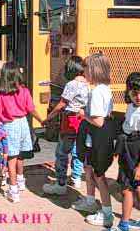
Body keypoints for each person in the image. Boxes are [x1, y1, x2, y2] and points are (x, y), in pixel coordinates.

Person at [0, 62, 43, 203]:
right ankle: (20, 181)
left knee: (10, 158)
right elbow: (31, 109)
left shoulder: (0, 94)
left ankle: (13, 191)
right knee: (20, 155)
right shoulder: (24, 91)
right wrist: (41, 120)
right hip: (23, 123)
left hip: (9, 126)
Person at [110, 72, 140, 231]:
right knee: (138, 186)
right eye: (135, 93)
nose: (139, 97)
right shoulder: (131, 106)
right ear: (128, 92)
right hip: (128, 150)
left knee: (127, 189)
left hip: (138, 153)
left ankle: (124, 225)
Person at [73, 52, 115, 228]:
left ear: (94, 70)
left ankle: (107, 213)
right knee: (88, 168)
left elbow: (98, 121)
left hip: (97, 137)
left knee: (99, 175)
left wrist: (83, 114)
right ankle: (90, 201)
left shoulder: (98, 91)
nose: (84, 74)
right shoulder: (103, 89)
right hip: (97, 138)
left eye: (86, 70)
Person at [42, 56, 89, 195]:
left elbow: (62, 104)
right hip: (82, 121)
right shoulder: (87, 84)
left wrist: (48, 118)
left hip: (70, 120)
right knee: (77, 150)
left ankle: (60, 183)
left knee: (62, 152)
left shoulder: (71, 84)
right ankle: (76, 177)